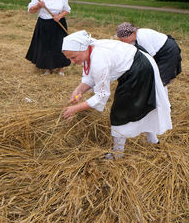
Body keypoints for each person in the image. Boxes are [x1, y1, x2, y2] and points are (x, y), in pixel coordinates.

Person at [61, 30, 172, 159]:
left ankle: (117, 154)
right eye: (69, 59)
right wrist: (78, 91)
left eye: (73, 57)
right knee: (143, 104)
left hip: (139, 69)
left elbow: (101, 96)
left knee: (121, 111)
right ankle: (152, 141)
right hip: (139, 62)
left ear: (83, 48)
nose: (72, 62)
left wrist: (74, 109)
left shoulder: (99, 60)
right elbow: (90, 77)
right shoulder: (89, 51)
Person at [25, 0, 71, 75]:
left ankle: (61, 68)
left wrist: (59, 16)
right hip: (44, 24)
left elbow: (67, 10)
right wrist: (38, 5)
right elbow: (31, 11)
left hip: (58, 23)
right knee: (46, 46)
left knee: (60, 45)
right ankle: (47, 68)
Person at [116, 22, 182, 87]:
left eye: (123, 39)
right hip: (159, 52)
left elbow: (150, 59)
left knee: (159, 80)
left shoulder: (143, 38)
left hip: (168, 51)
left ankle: (159, 95)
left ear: (133, 33)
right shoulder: (133, 39)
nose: (123, 42)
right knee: (154, 78)